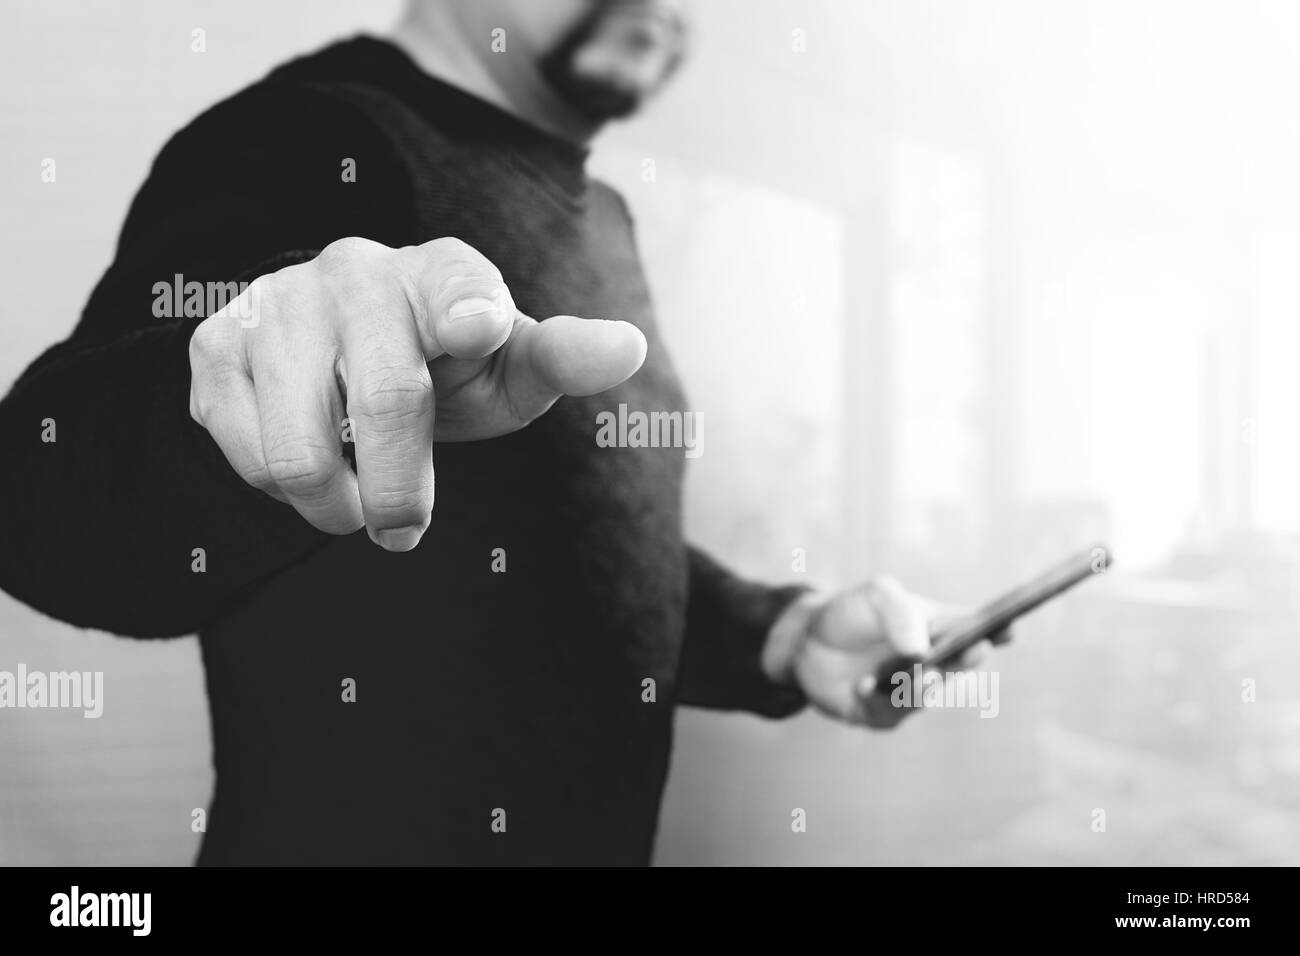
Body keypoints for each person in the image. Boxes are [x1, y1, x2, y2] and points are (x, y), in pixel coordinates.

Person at [0, 0, 1000, 864]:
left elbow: (575, 547)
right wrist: (243, 379)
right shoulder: (303, 137)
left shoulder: (600, 211)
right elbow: (41, 498)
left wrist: (780, 633)